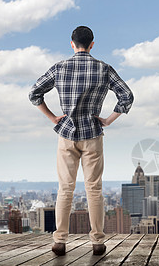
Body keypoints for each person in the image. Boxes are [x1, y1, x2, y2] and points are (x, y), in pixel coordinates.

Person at [29, 26, 134, 256]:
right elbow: (127, 96)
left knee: (65, 189)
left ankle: (59, 241)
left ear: (72, 43)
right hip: (93, 135)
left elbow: (34, 93)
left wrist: (53, 118)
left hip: (66, 135)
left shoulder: (59, 67)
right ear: (92, 44)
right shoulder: (104, 69)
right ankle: (97, 242)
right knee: (94, 189)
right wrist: (108, 120)